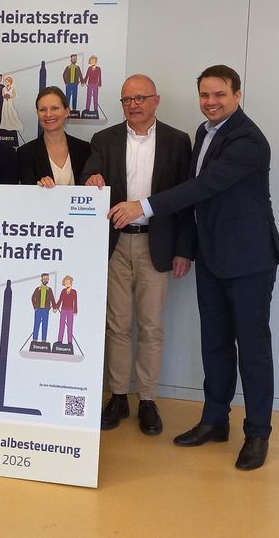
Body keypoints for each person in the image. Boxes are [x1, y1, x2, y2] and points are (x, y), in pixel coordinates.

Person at [110, 65, 279, 470]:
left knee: (253, 350)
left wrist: (143, 206)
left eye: (219, 94)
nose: (211, 102)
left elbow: (203, 187)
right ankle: (215, 420)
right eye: (205, 95)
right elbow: (196, 201)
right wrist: (188, 248)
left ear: (237, 95)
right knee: (215, 344)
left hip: (249, 260)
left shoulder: (248, 139)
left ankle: (258, 433)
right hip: (213, 257)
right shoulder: (205, 133)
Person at [81, 74, 195, 436]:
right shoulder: (104, 139)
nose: (134, 105)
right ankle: (118, 396)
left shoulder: (178, 141)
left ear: (156, 100)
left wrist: (184, 249)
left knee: (150, 326)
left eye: (141, 98)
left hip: (156, 244)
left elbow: (187, 199)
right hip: (115, 244)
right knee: (116, 326)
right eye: (127, 99)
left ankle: (147, 399)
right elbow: (90, 173)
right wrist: (91, 179)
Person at [18, 86, 91, 187]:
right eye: (43, 109)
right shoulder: (25, 153)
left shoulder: (85, 149)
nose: (48, 114)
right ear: (37, 113)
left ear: (67, 111)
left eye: (55, 108)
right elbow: (28, 192)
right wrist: (38, 188)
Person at [31, 273, 56, 342]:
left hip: (46, 310)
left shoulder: (49, 289)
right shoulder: (37, 289)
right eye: (44, 279)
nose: (45, 280)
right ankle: (34, 340)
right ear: (41, 279)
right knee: (36, 324)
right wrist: (35, 307)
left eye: (47, 279)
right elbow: (33, 298)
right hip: (38, 310)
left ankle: (44, 340)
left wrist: (54, 307)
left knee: (45, 325)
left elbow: (52, 299)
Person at [55, 275, 78, 344]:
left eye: (68, 282)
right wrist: (56, 307)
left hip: (70, 310)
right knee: (61, 325)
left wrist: (75, 311)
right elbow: (60, 300)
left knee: (70, 326)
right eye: (65, 282)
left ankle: (70, 341)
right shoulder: (63, 291)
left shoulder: (74, 292)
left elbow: (75, 302)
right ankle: (60, 340)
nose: (67, 283)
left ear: (71, 282)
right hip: (63, 310)